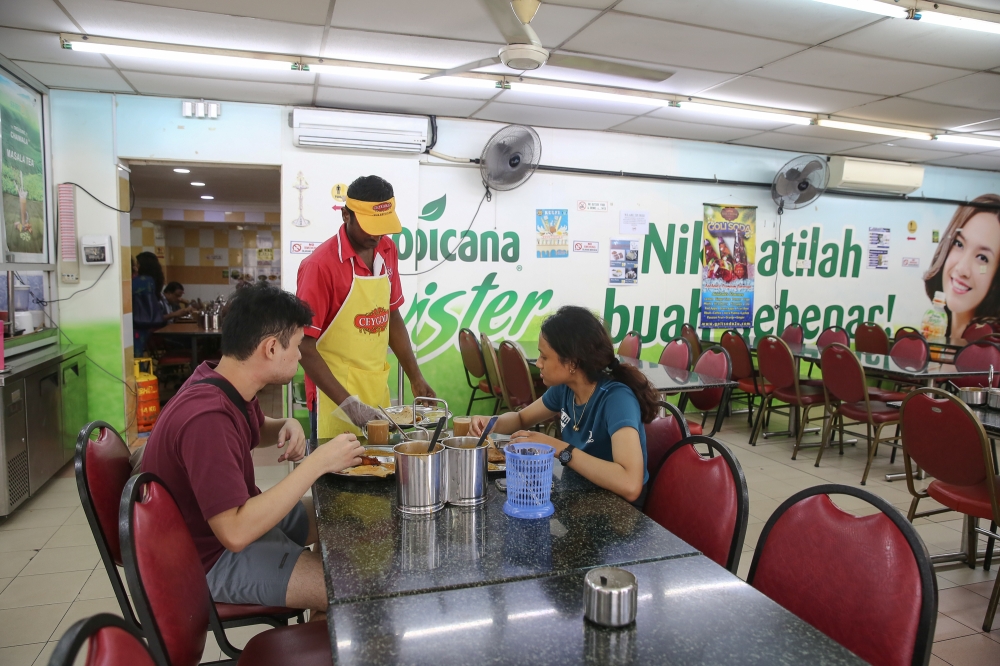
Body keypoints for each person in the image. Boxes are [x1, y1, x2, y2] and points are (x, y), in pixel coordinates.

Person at [141, 283, 365, 615]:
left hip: (226, 529)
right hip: (208, 558)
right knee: (351, 589)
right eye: (298, 346)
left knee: (343, 515)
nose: (301, 356)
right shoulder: (206, 418)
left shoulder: (221, 382)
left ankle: (318, 609)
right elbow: (235, 531)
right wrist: (315, 464)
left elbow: (254, 428)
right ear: (272, 348)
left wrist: (286, 422)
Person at [469, 306, 658, 503]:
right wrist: (490, 423)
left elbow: (630, 485)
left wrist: (556, 446)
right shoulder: (565, 389)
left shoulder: (617, 399)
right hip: (582, 494)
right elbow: (520, 418)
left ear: (573, 363)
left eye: (544, 356)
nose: (538, 363)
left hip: (618, 510)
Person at [297, 175, 435, 440]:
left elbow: (392, 314)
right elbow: (304, 346)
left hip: (375, 390)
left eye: (381, 226)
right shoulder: (319, 267)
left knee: (380, 470)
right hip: (334, 399)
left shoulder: (387, 249)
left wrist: (415, 377)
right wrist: (350, 405)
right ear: (346, 215)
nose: (376, 234)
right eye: (369, 225)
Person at [924, 194, 1000, 338]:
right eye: (959, 244)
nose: (962, 269)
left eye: (982, 258)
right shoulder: (939, 332)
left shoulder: (987, 351)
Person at [132, 251, 165, 357]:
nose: (136, 266)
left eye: (137, 264)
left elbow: (126, 290)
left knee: (136, 353)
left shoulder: (143, 280)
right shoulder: (152, 281)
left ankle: (139, 372)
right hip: (144, 324)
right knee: (139, 351)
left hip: (138, 324)